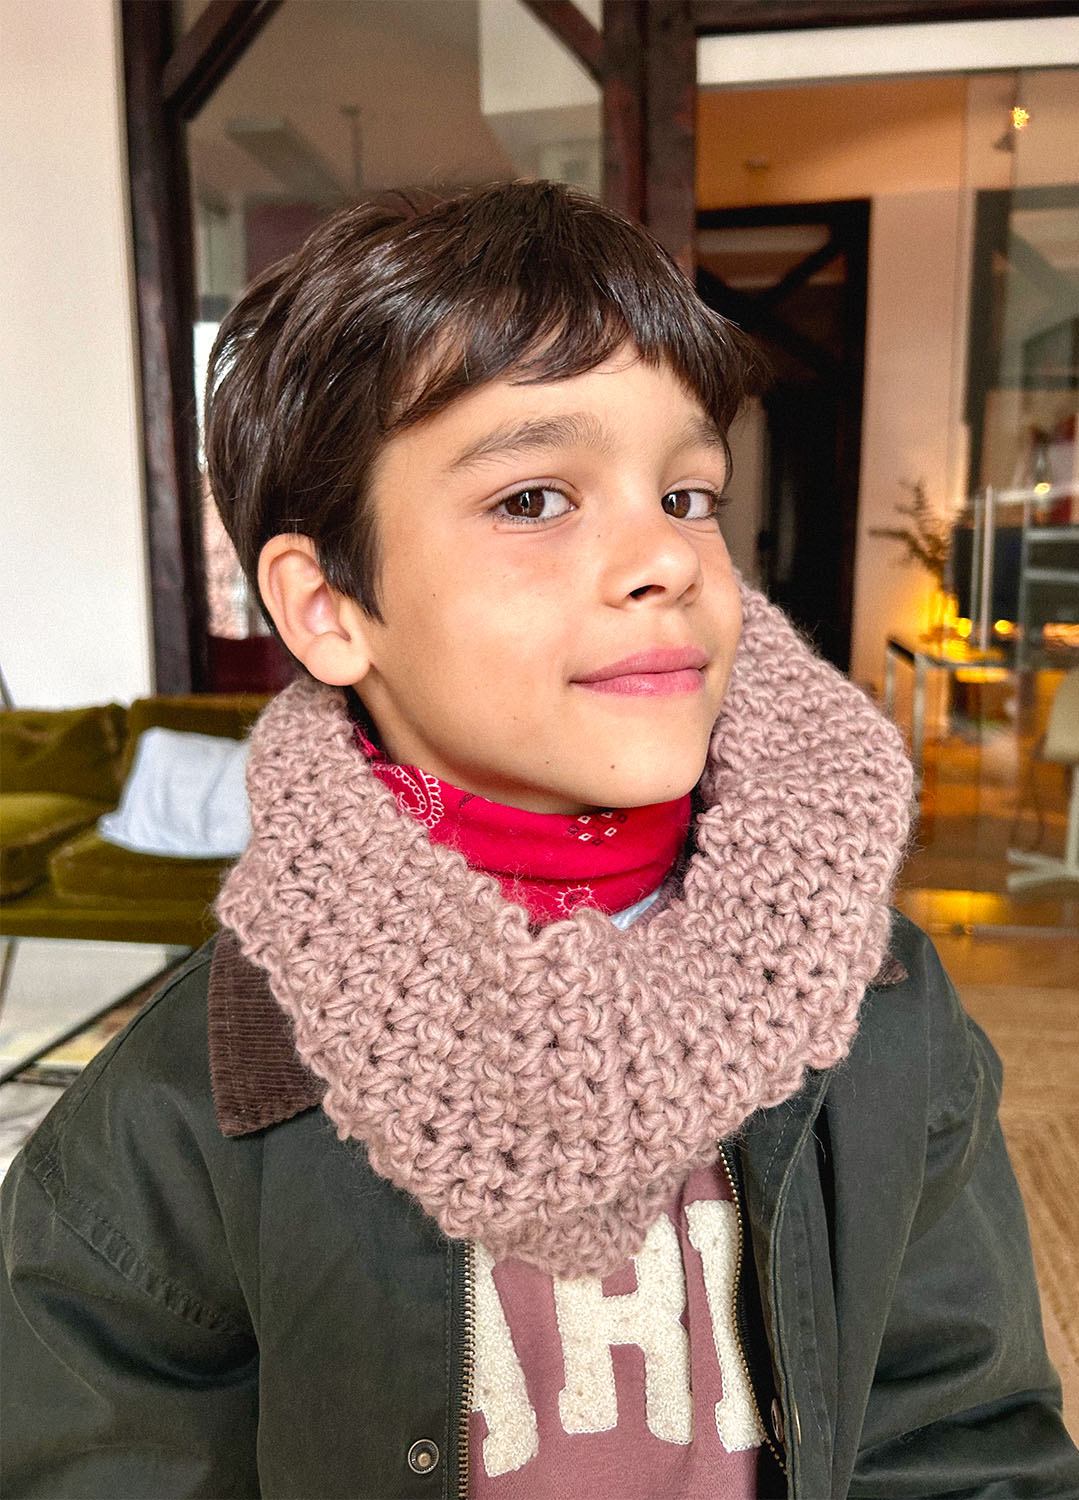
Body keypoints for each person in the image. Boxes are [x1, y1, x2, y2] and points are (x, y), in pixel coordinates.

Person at [2, 182, 1076, 1500]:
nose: (667, 558)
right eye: (531, 499)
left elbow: (962, 1437)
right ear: (330, 606)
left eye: (685, 492)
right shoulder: (196, 1097)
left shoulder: (884, 1006)